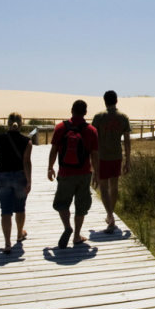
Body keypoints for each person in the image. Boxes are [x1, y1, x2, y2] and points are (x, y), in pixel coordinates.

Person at [48, 99, 99, 248]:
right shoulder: (91, 130)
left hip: (65, 173)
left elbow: (53, 150)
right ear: (85, 113)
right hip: (84, 173)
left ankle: (67, 227)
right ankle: (76, 235)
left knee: (63, 202)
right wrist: (96, 173)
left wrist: (50, 167)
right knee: (81, 205)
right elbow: (95, 155)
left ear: (72, 110)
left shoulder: (60, 127)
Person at [0, 112, 32, 254]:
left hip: (2, 177)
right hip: (20, 177)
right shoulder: (27, 141)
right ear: (21, 123)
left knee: (5, 211)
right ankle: (19, 233)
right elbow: (26, 162)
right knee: (20, 208)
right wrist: (29, 181)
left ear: (8, 123)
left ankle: (7, 243)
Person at [91, 90, 132, 234]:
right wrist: (128, 160)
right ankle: (110, 214)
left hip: (102, 156)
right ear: (116, 100)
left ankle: (109, 215)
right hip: (116, 156)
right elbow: (127, 141)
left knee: (103, 187)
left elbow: (93, 139)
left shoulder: (98, 117)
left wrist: (91, 160)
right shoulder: (123, 117)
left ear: (105, 101)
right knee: (114, 186)